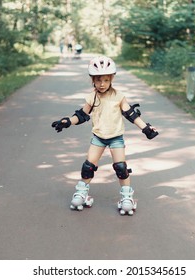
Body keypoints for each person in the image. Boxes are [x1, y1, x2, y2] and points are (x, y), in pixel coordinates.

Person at [51, 56, 158, 216]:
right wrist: (67, 122)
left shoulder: (119, 96)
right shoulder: (92, 97)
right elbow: (81, 115)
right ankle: (81, 194)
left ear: (112, 78)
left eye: (106, 80)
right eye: (98, 80)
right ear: (93, 80)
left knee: (121, 168)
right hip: (98, 137)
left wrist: (146, 128)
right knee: (88, 166)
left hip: (116, 138)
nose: (102, 84)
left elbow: (131, 114)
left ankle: (127, 198)